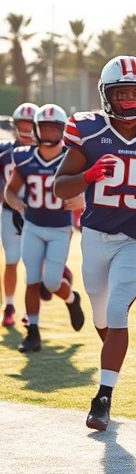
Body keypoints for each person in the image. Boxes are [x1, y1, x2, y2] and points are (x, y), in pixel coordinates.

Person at [54, 55, 136, 432]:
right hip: (95, 234)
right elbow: (60, 185)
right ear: (106, 95)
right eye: (122, 93)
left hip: (135, 237)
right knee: (101, 316)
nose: (130, 101)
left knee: (117, 311)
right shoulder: (87, 130)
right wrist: (89, 174)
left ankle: (103, 397)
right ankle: (110, 363)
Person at [4, 105, 85, 352]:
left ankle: (72, 298)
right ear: (37, 129)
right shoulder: (25, 156)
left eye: (54, 128)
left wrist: (82, 200)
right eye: (45, 128)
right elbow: (10, 190)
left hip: (60, 228)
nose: (49, 133)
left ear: (62, 130)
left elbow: (89, 184)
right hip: (33, 226)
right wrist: (15, 203)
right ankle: (33, 332)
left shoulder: (71, 158)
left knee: (51, 281)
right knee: (32, 279)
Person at [0, 103, 38, 326]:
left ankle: (30, 310)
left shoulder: (47, 152)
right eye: (22, 125)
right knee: (12, 260)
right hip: (9, 212)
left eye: (30, 125)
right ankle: (9, 305)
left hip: (38, 214)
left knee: (34, 263)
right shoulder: (5, 151)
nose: (26, 130)